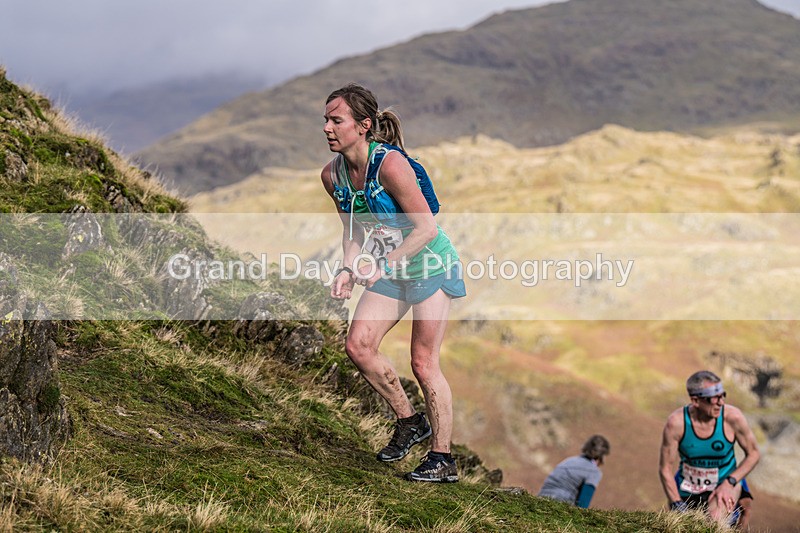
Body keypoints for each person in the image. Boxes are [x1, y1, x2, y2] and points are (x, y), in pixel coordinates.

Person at [320, 83, 466, 482]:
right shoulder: (332, 175)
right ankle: (409, 421)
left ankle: (442, 459)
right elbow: (352, 229)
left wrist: (383, 264)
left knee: (423, 363)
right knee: (358, 346)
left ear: (363, 125)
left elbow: (425, 227)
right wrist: (347, 269)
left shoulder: (390, 166)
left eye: (337, 120)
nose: (328, 128)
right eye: (326, 120)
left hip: (431, 266)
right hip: (391, 270)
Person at [659, 370, 760, 529]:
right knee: (684, 527)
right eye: (714, 398)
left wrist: (730, 482)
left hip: (724, 482)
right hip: (688, 486)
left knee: (714, 523)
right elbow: (665, 468)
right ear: (696, 400)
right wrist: (676, 502)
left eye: (722, 395)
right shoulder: (676, 423)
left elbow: (754, 453)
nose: (721, 402)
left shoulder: (732, 418)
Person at [538, 435, 610, 508]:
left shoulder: (568, 461)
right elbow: (583, 503)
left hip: (539, 501)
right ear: (601, 456)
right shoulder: (594, 471)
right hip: (560, 506)